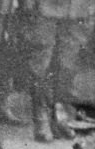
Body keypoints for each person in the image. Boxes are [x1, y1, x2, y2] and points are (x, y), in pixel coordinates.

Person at [19, 0, 92, 141]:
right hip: (45, 7)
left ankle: (61, 115)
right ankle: (41, 117)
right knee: (41, 61)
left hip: (77, 8)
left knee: (68, 61)